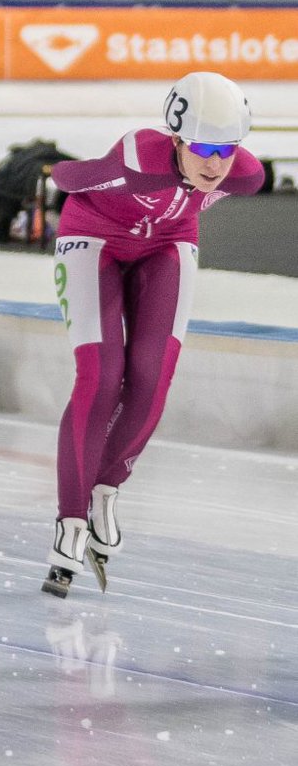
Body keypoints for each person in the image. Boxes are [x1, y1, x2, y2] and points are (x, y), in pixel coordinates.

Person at [41, 72, 266, 597]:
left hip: (167, 245)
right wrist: (80, 175)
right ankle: (70, 522)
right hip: (94, 237)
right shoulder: (140, 157)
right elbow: (69, 179)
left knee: (151, 378)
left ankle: (106, 489)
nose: (215, 164)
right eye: (203, 148)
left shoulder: (246, 176)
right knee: (101, 377)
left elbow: (216, 180)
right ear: (177, 138)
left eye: (227, 149)